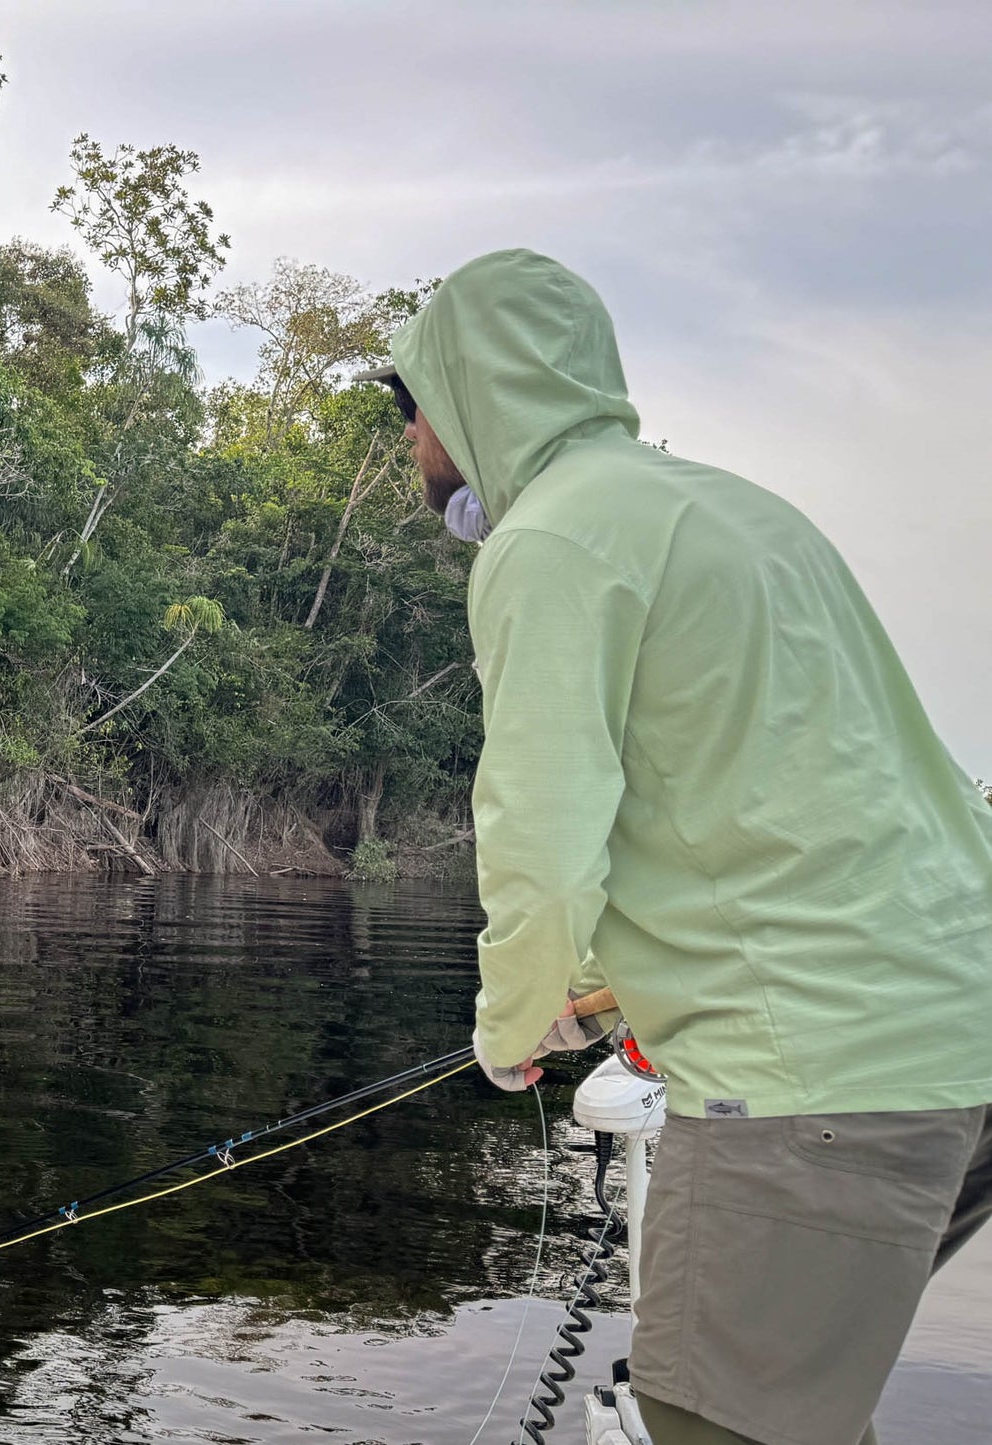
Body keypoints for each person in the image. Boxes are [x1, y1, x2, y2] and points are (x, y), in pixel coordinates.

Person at [356, 249, 992, 1445]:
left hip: (815, 1073)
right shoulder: (741, 510)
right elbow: (768, 800)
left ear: (465, 398)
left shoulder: (546, 542)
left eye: (409, 407)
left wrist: (510, 1028)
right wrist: (594, 992)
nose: (410, 442)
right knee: (795, 1408)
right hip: (958, 1033)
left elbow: (538, 844)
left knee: (710, 1420)